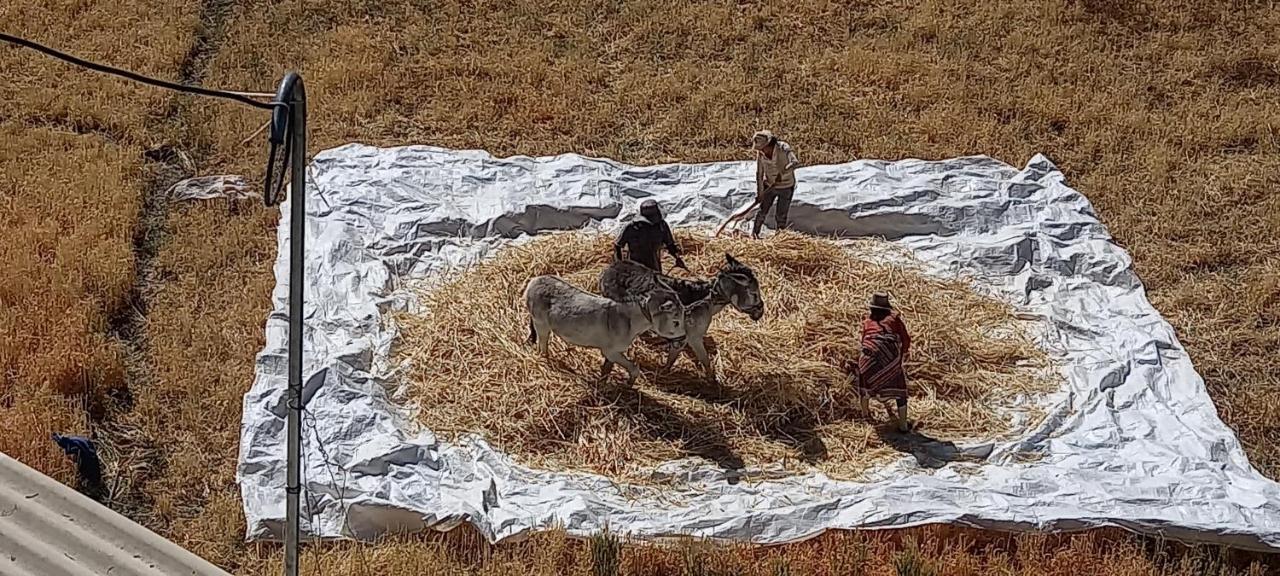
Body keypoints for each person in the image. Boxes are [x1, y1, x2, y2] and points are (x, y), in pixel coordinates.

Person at [851, 293, 912, 432]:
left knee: (864, 373)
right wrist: (899, 357)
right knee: (899, 388)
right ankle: (903, 426)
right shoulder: (894, 319)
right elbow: (906, 339)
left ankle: (865, 415)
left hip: (868, 362)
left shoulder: (867, 322)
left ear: (872, 308)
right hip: (889, 359)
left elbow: (864, 342)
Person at [613, 199, 687, 273]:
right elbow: (618, 245)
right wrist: (619, 265)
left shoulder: (661, 226)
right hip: (635, 269)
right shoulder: (632, 227)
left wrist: (677, 258)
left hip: (654, 268)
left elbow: (670, 245)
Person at [751, 130, 800, 239]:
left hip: (786, 186)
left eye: (763, 148)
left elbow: (795, 162)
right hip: (769, 186)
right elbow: (759, 173)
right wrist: (760, 193)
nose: (762, 151)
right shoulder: (761, 154)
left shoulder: (783, 148)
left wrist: (782, 174)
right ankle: (754, 235)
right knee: (762, 212)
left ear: (769, 145)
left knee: (781, 215)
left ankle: (779, 238)